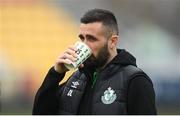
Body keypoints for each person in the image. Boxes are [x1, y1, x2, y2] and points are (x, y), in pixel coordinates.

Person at [32, 9, 157, 115]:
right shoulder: (76, 78)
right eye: (82, 38)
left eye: (91, 39)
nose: (84, 45)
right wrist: (55, 74)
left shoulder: (135, 80)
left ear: (112, 41)